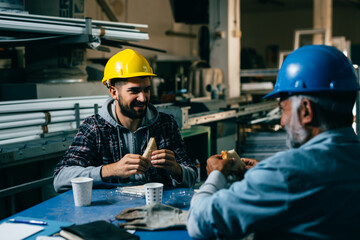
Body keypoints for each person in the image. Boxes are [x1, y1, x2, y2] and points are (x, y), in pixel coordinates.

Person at [187, 45, 360, 239]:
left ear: (306, 111)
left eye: (283, 110)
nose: (282, 121)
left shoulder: (285, 174)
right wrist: (263, 174)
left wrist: (216, 175)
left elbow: (200, 223)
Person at [54, 49, 197, 192]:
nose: (143, 98)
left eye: (146, 89)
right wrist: (110, 170)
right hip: (108, 212)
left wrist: (177, 170)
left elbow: (191, 175)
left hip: (157, 209)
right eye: (134, 91)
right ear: (114, 92)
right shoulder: (94, 128)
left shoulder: (165, 124)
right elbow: (60, 179)